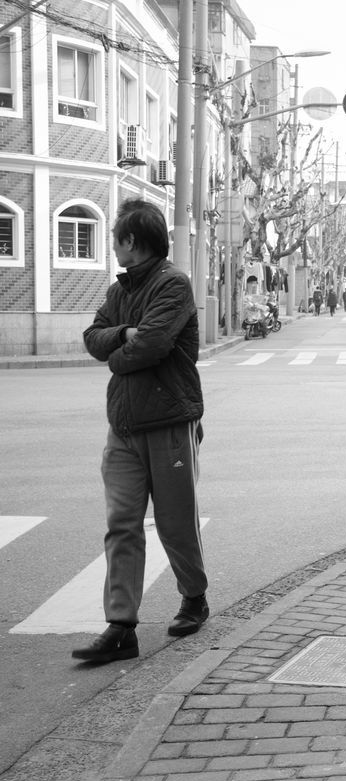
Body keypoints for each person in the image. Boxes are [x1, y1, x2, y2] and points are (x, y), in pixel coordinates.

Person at [75, 198, 210, 663]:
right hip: (125, 426)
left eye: (115, 239)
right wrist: (121, 335)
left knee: (175, 521)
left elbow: (151, 344)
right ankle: (121, 626)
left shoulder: (172, 283)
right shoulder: (121, 289)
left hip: (170, 421)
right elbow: (94, 336)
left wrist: (121, 347)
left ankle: (194, 597)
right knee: (122, 525)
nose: (113, 247)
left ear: (131, 241)